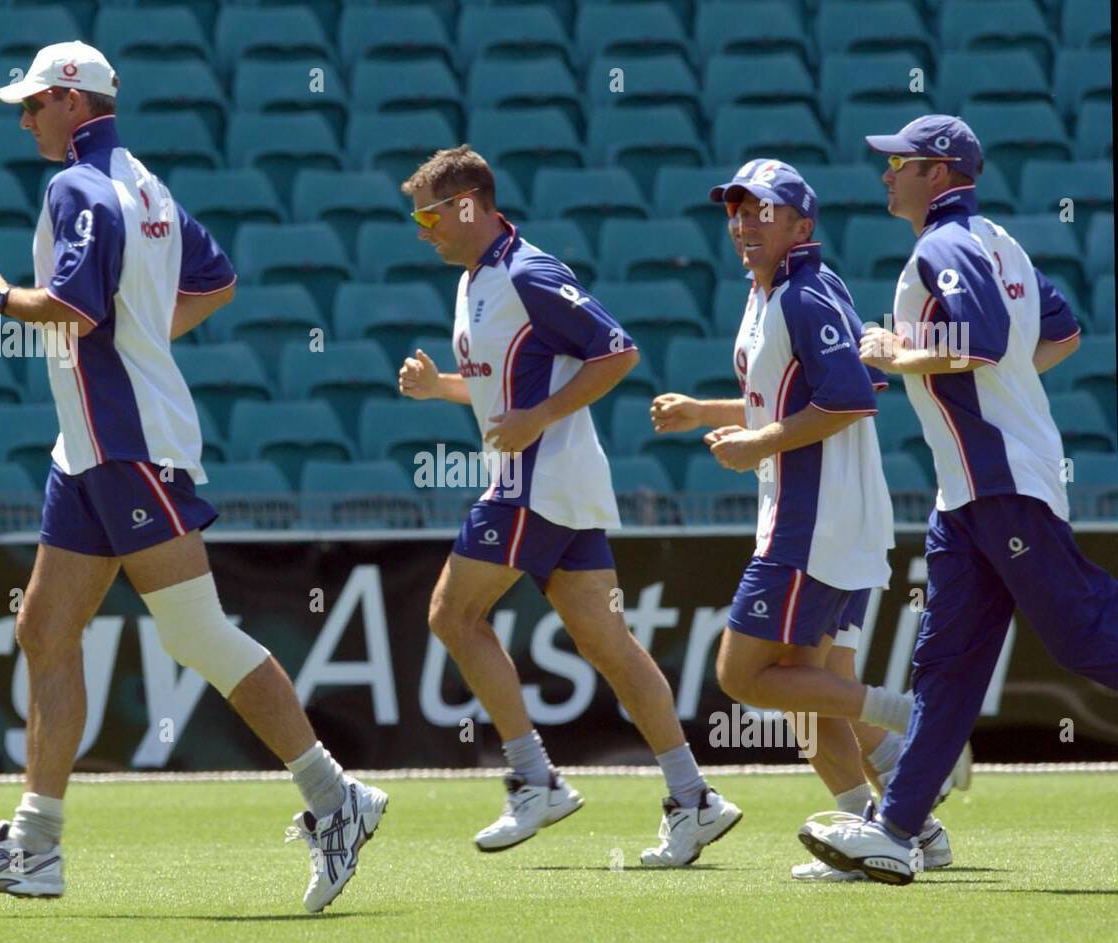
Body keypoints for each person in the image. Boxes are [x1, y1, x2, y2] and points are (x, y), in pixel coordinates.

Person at [0, 42, 386, 913]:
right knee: (45, 629)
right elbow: (216, 281)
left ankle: (336, 797)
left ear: (71, 101)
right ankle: (35, 846)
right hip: (89, 446)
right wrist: (143, 332)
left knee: (196, 633)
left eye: (33, 103)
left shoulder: (77, 186)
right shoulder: (147, 186)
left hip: (127, 440)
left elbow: (72, 307)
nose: (25, 119)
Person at [397, 145, 741, 866]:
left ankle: (534, 778)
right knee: (608, 645)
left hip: (534, 483)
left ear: (469, 206)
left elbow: (617, 352)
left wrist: (538, 418)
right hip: (559, 486)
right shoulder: (475, 278)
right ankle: (694, 797)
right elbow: (502, 385)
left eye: (430, 216)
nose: (422, 230)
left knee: (452, 616)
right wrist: (440, 388)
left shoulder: (530, 273)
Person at [800, 115, 1118, 884]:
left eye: (900, 163)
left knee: (1081, 634)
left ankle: (896, 826)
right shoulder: (999, 242)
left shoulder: (943, 245)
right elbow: (1062, 332)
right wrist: (1004, 386)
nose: (887, 174)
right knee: (945, 667)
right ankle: (895, 831)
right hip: (972, 491)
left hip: (1002, 480)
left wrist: (895, 352)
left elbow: (979, 341)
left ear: (938, 172)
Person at [651, 176, 962, 882]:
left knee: (745, 674)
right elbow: (782, 397)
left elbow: (852, 398)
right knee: (811, 692)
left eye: (764, 212)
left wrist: (757, 446)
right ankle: (896, 828)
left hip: (814, 521)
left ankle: (913, 719)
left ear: (801, 226)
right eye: (737, 211)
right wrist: (705, 412)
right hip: (821, 517)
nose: (744, 223)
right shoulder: (769, 293)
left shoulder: (803, 293)